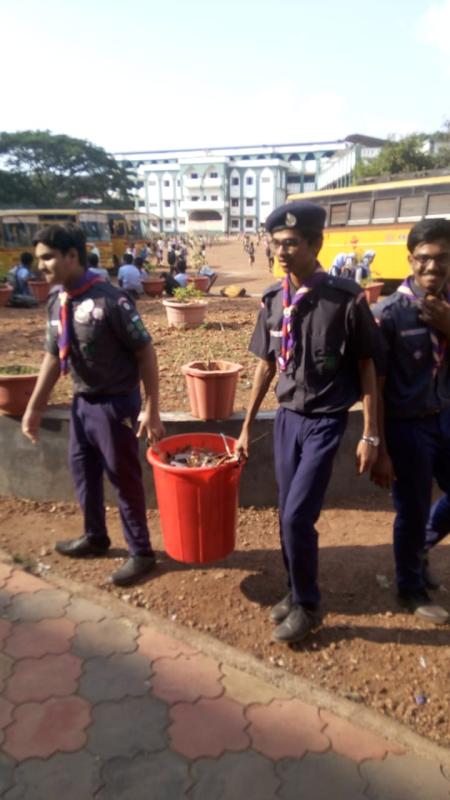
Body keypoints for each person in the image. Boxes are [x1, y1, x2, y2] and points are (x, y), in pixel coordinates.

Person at [236, 200, 382, 644]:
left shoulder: (344, 299)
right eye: (277, 243)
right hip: (286, 420)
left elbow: (368, 366)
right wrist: (244, 427)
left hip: (325, 421)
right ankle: (295, 590)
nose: (282, 251)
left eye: (292, 243)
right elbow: (265, 365)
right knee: (286, 514)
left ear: (316, 244)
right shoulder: (273, 300)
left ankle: (310, 604)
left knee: (298, 515)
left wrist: (371, 434)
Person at [21, 223, 165, 587]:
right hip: (82, 402)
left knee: (123, 477)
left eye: (49, 258)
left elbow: (145, 351)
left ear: (73, 256)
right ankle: (95, 536)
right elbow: (54, 356)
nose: (42, 266)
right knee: (82, 471)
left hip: (115, 405)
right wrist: (35, 408)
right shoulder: (58, 300)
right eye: (40, 259)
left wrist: (152, 407)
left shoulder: (110, 299)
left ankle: (141, 552)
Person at [371, 218, 450, 624]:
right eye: (424, 260)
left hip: (446, 416)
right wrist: (379, 446)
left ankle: (420, 547)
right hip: (407, 426)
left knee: (428, 514)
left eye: (441, 260)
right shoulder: (389, 314)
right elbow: (376, 390)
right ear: (410, 261)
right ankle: (410, 587)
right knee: (412, 507)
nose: (433, 269)